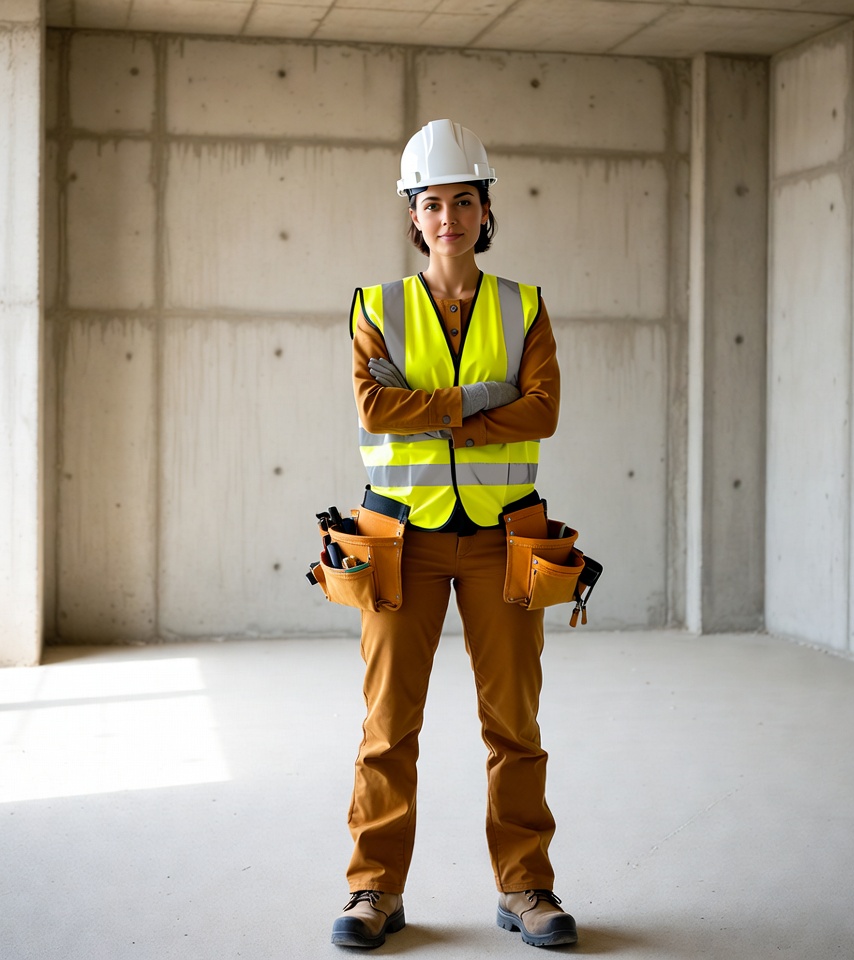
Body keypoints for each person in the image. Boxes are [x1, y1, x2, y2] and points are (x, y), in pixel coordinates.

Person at [330, 118, 576, 950]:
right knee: (388, 727)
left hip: (505, 538)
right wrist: (480, 402)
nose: (448, 218)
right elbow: (373, 407)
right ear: (413, 214)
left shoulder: (524, 306)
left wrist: (433, 415)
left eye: (463, 201)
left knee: (515, 726)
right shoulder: (378, 307)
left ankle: (526, 886)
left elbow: (541, 409)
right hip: (402, 538)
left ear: (484, 208)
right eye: (432, 204)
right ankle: (373, 891)